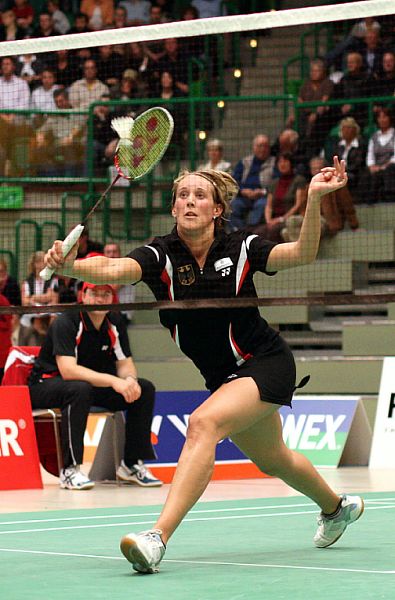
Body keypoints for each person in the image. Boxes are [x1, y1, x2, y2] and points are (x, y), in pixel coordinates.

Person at [44, 157, 364, 573]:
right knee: (274, 459)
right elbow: (115, 269)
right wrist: (69, 265)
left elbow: (302, 253)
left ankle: (156, 538)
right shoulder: (160, 255)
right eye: (182, 196)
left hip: (265, 362)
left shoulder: (243, 248)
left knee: (202, 425)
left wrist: (316, 200)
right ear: (174, 208)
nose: (190, 201)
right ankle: (336, 508)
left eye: (200, 195)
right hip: (224, 378)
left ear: (216, 210)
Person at [28, 281, 162, 490]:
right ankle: (70, 469)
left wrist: (130, 381)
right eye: (95, 293)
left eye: (106, 294)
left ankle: (131, 464)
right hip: (45, 384)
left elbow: (125, 364)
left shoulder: (114, 321)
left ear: (112, 297)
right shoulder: (67, 321)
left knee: (144, 389)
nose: (100, 299)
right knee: (79, 389)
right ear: (84, 295)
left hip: (88, 387)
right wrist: (114, 381)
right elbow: (68, 371)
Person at [230, 134, 275, 231]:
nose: (262, 149)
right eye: (259, 146)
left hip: (264, 196)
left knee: (261, 205)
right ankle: (240, 232)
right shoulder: (244, 162)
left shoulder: (274, 163)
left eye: (265, 146)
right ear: (254, 147)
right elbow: (233, 181)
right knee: (233, 206)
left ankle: (251, 232)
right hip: (244, 196)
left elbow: (277, 183)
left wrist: (262, 192)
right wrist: (242, 191)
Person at [260, 152, 306, 242]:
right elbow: (268, 206)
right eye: (280, 162)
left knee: (272, 232)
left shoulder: (299, 180)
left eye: (285, 161)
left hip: (290, 219)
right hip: (274, 220)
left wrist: (281, 219)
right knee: (258, 233)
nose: (282, 164)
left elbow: (298, 204)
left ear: (291, 163)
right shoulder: (274, 183)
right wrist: (269, 220)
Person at [364, 107, 395, 203]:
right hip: (377, 167)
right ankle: (368, 201)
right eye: (380, 117)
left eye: (385, 117)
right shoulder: (374, 136)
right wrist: (372, 166)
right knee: (366, 174)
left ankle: (389, 197)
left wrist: (385, 165)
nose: (382, 120)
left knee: (389, 170)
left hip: (391, 166)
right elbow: (370, 155)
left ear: (390, 118)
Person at [103, 242, 135, 323]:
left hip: (122, 313)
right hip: (107, 312)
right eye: (108, 252)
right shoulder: (104, 271)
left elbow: (111, 289)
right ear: (104, 255)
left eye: (114, 251)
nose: (112, 254)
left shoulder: (126, 268)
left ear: (120, 254)